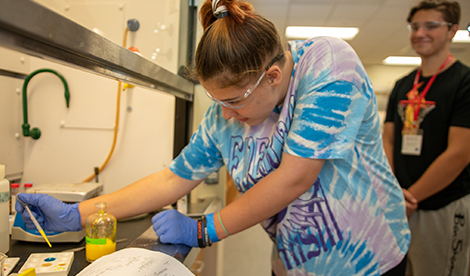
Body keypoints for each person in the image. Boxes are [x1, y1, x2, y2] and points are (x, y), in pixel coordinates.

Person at [16, 0, 410, 274]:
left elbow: (296, 176)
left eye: (234, 100)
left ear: (272, 77)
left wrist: (204, 229)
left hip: (367, 262)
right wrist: (80, 215)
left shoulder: (327, 65)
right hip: (295, 262)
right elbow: (172, 179)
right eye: (215, 99)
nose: (225, 114)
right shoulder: (228, 111)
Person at [383, 1, 470, 275]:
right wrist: (395, 192)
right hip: (400, 202)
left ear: (453, 30)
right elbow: (388, 140)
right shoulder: (403, 84)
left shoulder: (464, 82)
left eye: (431, 26)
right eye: (415, 26)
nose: (420, 33)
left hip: (442, 204)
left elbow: (460, 153)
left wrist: (410, 197)